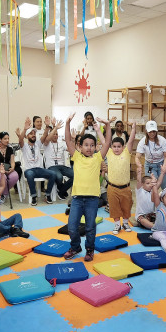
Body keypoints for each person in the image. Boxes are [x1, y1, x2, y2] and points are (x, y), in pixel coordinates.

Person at [63, 112, 112, 261]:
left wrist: (107, 125)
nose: (89, 148)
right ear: (80, 146)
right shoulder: (76, 156)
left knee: (90, 227)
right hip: (77, 199)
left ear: (95, 146)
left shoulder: (98, 158)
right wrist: (67, 123)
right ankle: (76, 247)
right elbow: (67, 141)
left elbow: (108, 142)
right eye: (86, 145)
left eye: (92, 145)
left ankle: (89, 249)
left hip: (92, 200)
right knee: (72, 226)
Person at [105, 120, 137, 234]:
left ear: (123, 147)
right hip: (112, 187)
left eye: (119, 146)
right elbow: (105, 141)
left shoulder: (126, 153)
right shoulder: (109, 153)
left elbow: (131, 140)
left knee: (126, 206)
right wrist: (99, 130)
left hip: (125, 187)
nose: (116, 149)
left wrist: (133, 129)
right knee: (114, 207)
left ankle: (125, 223)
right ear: (111, 147)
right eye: (114, 146)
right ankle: (117, 224)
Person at [18, 117, 56, 205]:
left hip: (39, 169)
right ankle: (33, 196)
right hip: (29, 170)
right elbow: (20, 140)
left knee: (53, 174)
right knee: (30, 175)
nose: (33, 135)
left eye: (34, 133)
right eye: (31, 134)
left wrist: (47, 126)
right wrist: (25, 129)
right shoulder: (24, 146)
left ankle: (47, 195)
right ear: (27, 136)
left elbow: (44, 136)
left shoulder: (38, 144)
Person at [42, 117, 72, 200]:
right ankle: (62, 189)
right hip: (52, 167)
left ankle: (61, 190)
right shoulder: (46, 144)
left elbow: (71, 149)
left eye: (56, 134)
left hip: (62, 166)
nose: (55, 135)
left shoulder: (62, 143)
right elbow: (47, 138)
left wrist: (72, 139)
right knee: (59, 177)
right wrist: (54, 127)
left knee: (76, 175)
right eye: (53, 134)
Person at [135, 120, 166, 188]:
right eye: (150, 132)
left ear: (156, 131)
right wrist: (139, 164)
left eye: (154, 131)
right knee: (151, 185)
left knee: (165, 186)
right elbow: (137, 157)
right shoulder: (142, 141)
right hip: (150, 166)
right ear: (146, 131)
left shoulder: (162, 140)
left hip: (162, 163)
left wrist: (165, 166)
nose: (152, 133)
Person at [0, 131, 20, 204]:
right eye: (5, 139)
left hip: (7, 168)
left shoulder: (10, 149)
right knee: (4, 178)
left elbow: (12, 161)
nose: (7, 140)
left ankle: (4, 193)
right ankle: (4, 194)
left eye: (8, 139)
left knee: (15, 176)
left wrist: (12, 168)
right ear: (0, 139)